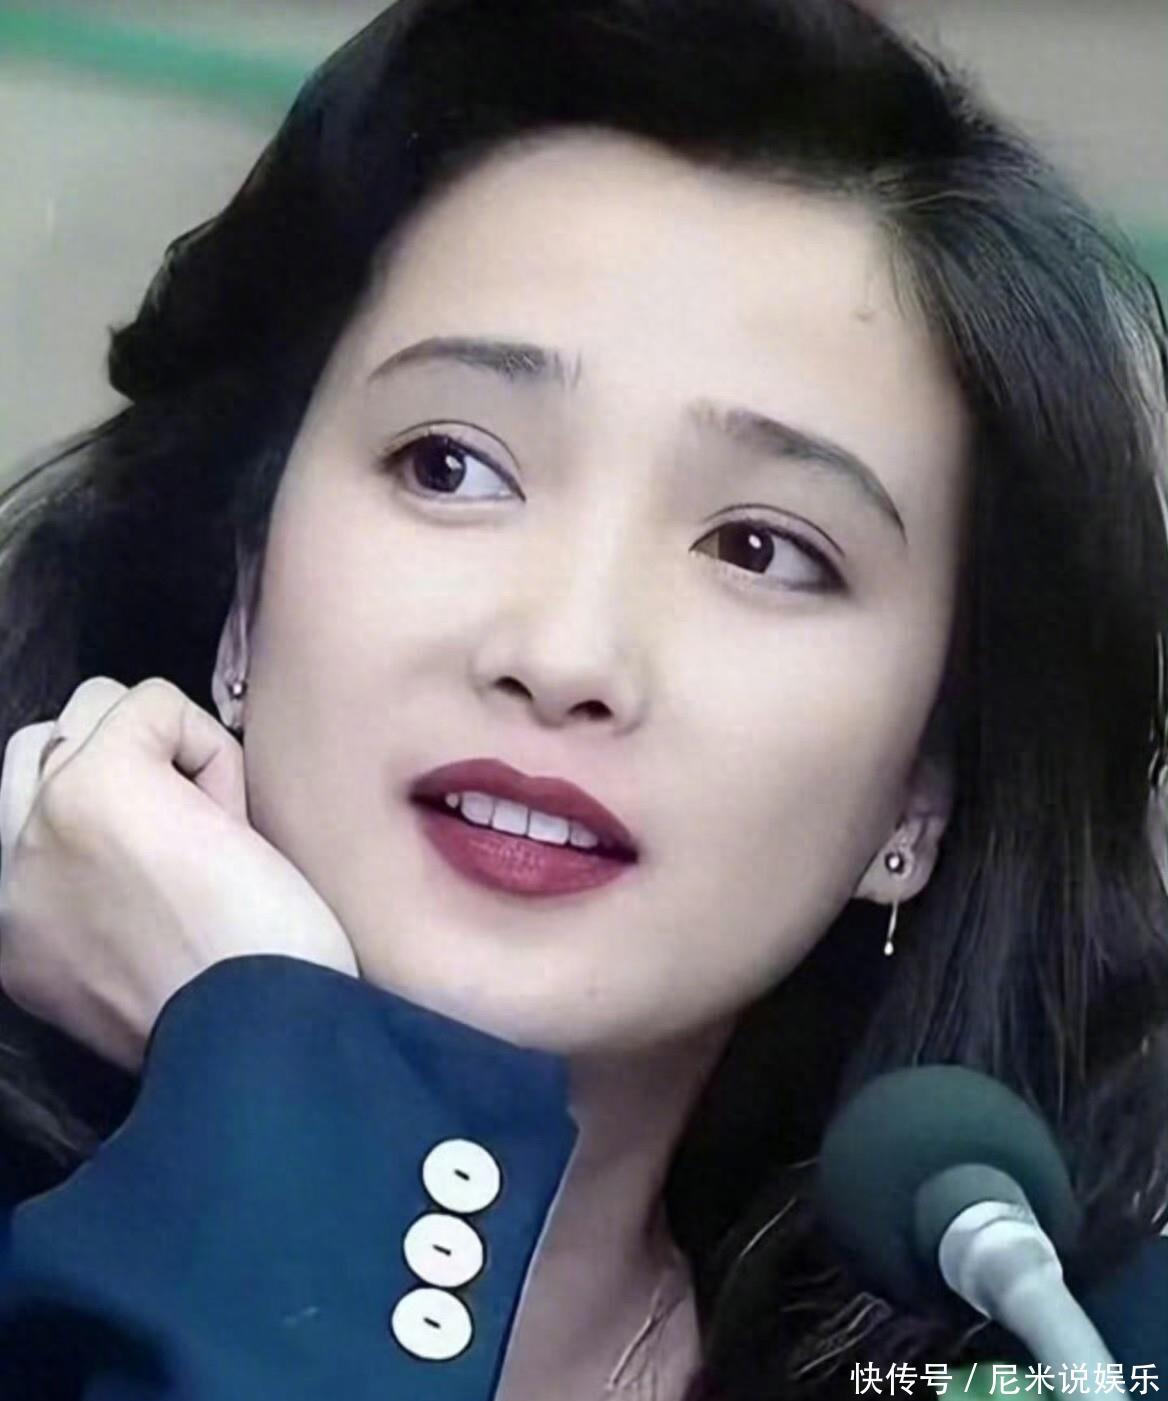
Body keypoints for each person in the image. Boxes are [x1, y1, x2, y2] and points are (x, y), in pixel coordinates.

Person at [0, 0, 1165, 1396]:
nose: (564, 655)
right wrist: (286, 1083)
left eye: (761, 549)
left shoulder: (1064, 1353)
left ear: (920, 790)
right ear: (247, 588)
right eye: (451, 466)